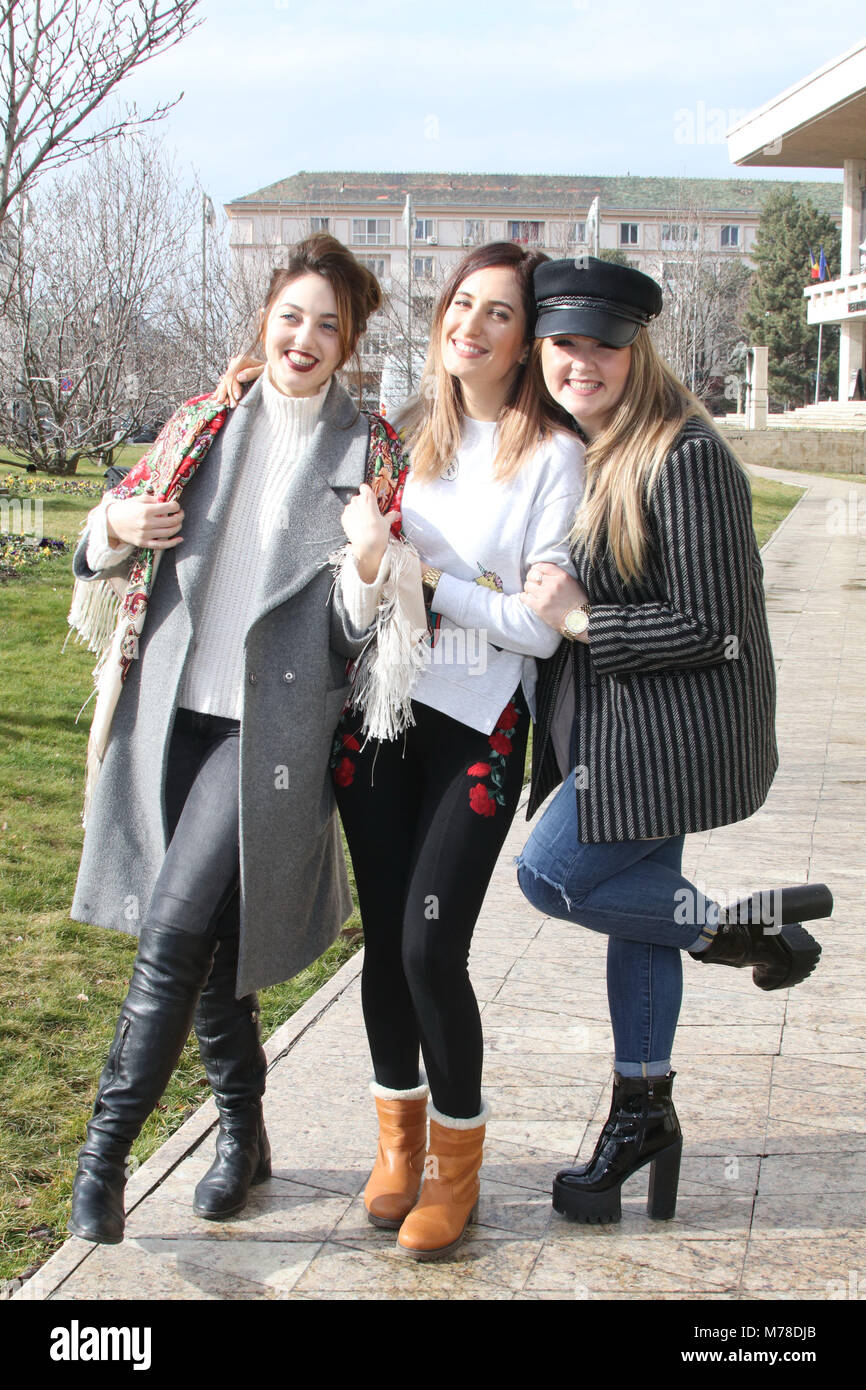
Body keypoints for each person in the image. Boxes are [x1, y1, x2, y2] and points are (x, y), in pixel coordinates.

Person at [221, 243, 587, 1257]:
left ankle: (454, 1166)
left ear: (524, 341)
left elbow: (538, 626)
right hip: (378, 718)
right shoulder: (398, 435)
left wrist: (431, 584)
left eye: (497, 314)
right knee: (385, 940)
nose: (469, 324)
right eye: (459, 303)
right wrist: (245, 377)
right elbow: (296, 428)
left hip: (475, 726)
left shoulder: (551, 457)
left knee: (431, 946)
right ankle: (397, 1140)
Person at [66, 232, 398, 1245]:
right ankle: (245, 1137)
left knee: (171, 938)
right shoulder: (201, 422)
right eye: (291, 315)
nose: (304, 337)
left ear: (349, 344)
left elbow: (358, 639)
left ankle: (103, 1161)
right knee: (213, 956)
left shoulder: (370, 454)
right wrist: (118, 530)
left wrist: (365, 567)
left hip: (268, 740)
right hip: (167, 716)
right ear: (265, 316)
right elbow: (101, 543)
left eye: (328, 325)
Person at [516, 256, 830, 1225]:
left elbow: (713, 626)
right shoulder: (592, 443)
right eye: (564, 340)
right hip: (625, 734)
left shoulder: (682, 454)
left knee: (552, 875)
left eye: (603, 343)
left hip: (672, 739)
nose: (582, 359)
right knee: (627, 916)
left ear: (635, 346)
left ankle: (733, 928)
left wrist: (578, 623)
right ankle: (640, 1112)